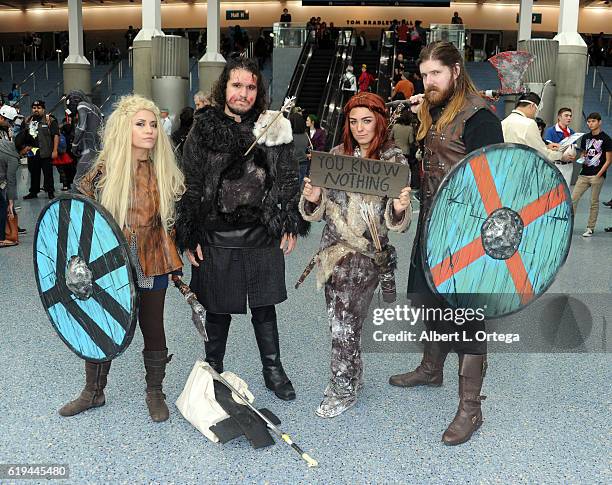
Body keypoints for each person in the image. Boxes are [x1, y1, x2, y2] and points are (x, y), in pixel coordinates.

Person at [388, 41, 504, 446]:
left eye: (435, 74)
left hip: (467, 235)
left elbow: (496, 184)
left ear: (456, 71)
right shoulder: (434, 110)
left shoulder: (480, 118)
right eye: (424, 75)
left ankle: (471, 408)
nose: (428, 82)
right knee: (427, 298)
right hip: (432, 223)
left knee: (470, 318)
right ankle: (431, 367)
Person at [174, 57, 309, 402]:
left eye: (251, 87)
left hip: (262, 233)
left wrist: (290, 219)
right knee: (216, 309)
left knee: (265, 307)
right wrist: (188, 232)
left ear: (257, 92)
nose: (244, 93)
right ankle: (212, 368)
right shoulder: (203, 129)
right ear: (225, 88)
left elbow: (289, 176)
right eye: (237, 85)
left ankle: (273, 370)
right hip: (214, 235)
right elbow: (190, 183)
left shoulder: (273, 126)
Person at [60, 95, 185, 422]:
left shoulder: (164, 169)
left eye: (154, 124)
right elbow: (79, 212)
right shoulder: (102, 169)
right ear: (123, 128)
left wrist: (178, 256)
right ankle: (93, 391)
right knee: (102, 323)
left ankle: (155, 392)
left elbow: (179, 217)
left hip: (152, 258)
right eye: (141, 123)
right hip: (109, 260)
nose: (150, 130)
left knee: (153, 326)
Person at [300, 92, 412, 417]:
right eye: (353, 121)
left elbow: (395, 220)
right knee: (340, 320)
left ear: (379, 120)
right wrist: (314, 196)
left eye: (367, 120)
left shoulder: (393, 162)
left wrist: (400, 208)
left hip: (365, 259)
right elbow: (315, 212)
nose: (360, 128)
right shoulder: (336, 156)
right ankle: (352, 375)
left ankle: (343, 388)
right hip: (331, 255)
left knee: (345, 324)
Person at [571, 112, 612, 237]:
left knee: (593, 202)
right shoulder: (585, 137)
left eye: (593, 121)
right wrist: (581, 158)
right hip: (584, 174)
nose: (590, 124)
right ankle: (569, 224)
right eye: (589, 121)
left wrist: (599, 174)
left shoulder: (606, 139)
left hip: (597, 175)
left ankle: (590, 227)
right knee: (573, 199)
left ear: (599, 122)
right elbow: (584, 153)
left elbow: (609, 160)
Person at [501, 93, 564, 163]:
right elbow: (542, 154)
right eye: (537, 110)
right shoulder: (529, 123)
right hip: (522, 168)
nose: (535, 115)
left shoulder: (504, 122)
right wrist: (561, 155)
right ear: (532, 106)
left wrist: (546, 147)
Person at [0, 131, 35, 247]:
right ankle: (2, 238)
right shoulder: (13, 158)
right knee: (2, 206)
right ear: (23, 146)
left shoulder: (5, 144)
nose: (28, 152)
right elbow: (11, 181)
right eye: (28, 149)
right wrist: (11, 202)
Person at [23, 100, 59, 200]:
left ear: (43, 109)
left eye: (39, 108)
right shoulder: (28, 120)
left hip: (46, 152)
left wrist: (55, 150)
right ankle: (33, 192)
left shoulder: (50, 120)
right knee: (34, 173)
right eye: (34, 108)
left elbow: (56, 135)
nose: (36, 110)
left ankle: (50, 191)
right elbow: (24, 136)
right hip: (32, 153)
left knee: (48, 174)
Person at [544, 107, 577, 186]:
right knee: (553, 190)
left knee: (566, 190)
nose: (569, 118)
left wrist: (574, 155)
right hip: (555, 165)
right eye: (566, 115)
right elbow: (548, 148)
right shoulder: (550, 131)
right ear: (559, 117)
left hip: (568, 166)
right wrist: (561, 155)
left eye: (570, 116)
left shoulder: (572, 132)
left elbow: (574, 149)